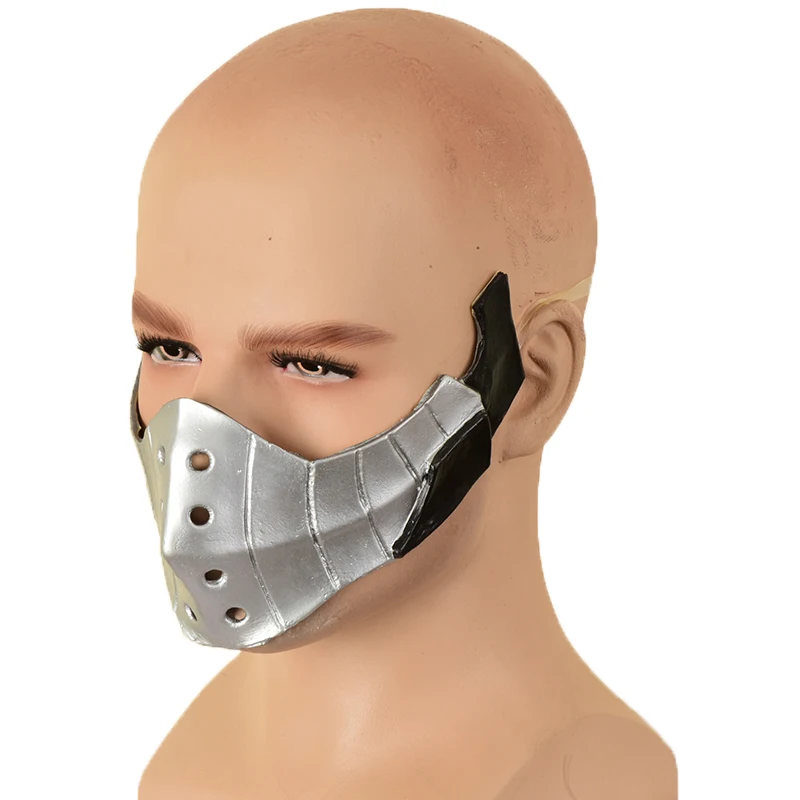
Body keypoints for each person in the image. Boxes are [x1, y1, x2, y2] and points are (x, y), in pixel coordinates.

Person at [131, 8, 677, 798]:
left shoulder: (573, 777)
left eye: (311, 364)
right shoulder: (189, 764)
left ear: (531, 383)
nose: (202, 433)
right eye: (168, 349)